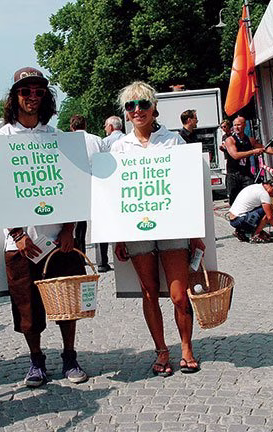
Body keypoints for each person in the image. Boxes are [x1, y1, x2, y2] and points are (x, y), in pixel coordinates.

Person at [0, 66, 88, 387]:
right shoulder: (1, 139)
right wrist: (17, 233)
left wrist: (69, 229)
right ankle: (36, 361)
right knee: (27, 308)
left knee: (66, 302)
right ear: (15, 97)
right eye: (25, 91)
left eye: (38, 91)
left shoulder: (58, 137)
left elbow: (73, 185)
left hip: (59, 240)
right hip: (21, 244)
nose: (32, 96)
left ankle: (70, 356)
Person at [111, 81, 204, 376]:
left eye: (143, 104)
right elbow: (114, 194)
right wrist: (117, 236)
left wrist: (195, 233)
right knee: (149, 292)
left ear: (154, 108)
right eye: (131, 105)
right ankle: (162, 351)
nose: (137, 110)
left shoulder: (173, 141)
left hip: (173, 226)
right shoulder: (118, 147)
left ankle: (186, 348)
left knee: (179, 295)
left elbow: (187, 187)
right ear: (126, 112)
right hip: (136, 230)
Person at [224, 115, 273, 205]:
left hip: (246, 173)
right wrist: (253, 151)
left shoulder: (250, 140)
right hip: (233, 174)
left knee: (251, 196)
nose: (236, 127)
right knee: (234, 200)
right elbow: (235, 155)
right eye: (235, 125)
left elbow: (266, 149)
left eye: (239, 125)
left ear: (244, 125)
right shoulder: (230, 140)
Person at [69, 114, 101, 255]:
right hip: (97, 183)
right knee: (99, 221)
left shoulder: (68, 142)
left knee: (79, 226)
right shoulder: (97, 140)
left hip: (77, 186)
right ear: (85, 125)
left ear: (71, 127)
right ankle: (102, 259)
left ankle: (81, 256)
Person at [97, 116, 125, 272]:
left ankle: (102, 262)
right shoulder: (128, 139)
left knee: (103, 224)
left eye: (105, 125)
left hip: (110, 187)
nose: (104, 128)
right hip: (126, 186)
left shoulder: (104, 142)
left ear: (111, 127)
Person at [227, 179, 273, 243]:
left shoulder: (256, 187)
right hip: (240, 220)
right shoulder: (264, 194)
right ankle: (256, 234)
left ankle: (241, 231)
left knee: (262, 208)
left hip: (233, 219)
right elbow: (270, 217)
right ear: (272, 187)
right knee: (269, 209)